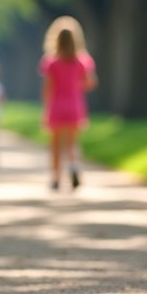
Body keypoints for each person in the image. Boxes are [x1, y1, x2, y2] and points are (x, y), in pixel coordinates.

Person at [38, 16, 97, 191]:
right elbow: (90, 83)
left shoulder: (51, 62)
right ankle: (73, 167)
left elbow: (48, 88)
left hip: (56, 106)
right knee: (72, 143)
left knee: (55, 144)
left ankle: (56, 177)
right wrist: (76, 84)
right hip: (74, 105)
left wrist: (45, 106)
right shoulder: (82, 61)